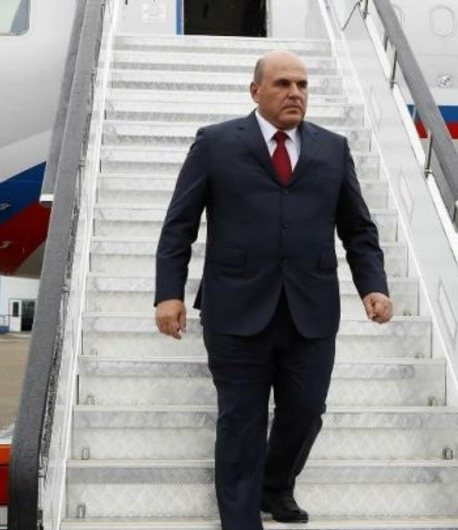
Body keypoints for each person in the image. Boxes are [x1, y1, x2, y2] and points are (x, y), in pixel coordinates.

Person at [154, 50, 393, 530]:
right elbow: (180, 225)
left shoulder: (333, 149)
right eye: (283, 84)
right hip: (235, 308)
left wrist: (373, 285)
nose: (295, 93)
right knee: (241, 419)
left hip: (311, 308)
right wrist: (168, 293)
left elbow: (358, 229)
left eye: (302, 85)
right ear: (256, 90)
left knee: (306, 411)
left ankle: (275, 483)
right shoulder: (216, 144)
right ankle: (241, 521)